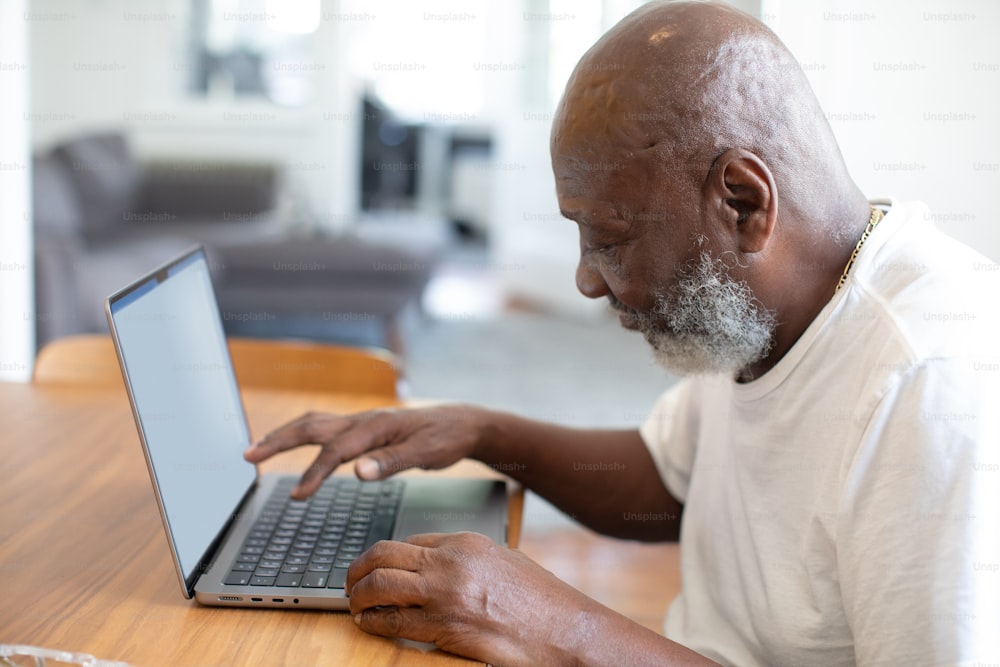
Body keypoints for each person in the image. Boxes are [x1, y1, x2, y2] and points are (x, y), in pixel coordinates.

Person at [245, 1, 1000, 664]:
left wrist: (563, 629)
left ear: (741, 202)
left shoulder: (929, 383)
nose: (586, 279)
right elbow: (666, 481)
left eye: (609, 238)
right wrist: (478, 428)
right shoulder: (766, 304)